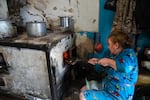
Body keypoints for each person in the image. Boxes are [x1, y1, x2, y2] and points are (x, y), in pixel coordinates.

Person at [79, 30, 138, 100]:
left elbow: (124, 67)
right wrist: (97, 61)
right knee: (84, 89)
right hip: (108, 87)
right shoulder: (115, 55)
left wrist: (107, 61)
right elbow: (107, 66)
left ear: (116, 45)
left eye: (109, 44)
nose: (108, 47)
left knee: (83, 95)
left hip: (118, 95)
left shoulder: (129, 55)